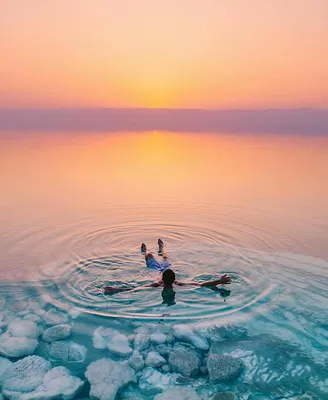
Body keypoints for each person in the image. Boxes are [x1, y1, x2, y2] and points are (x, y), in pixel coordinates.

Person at [104, 239, 232, 297]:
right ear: (174, 277)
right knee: (164, 258)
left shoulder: (158, 284)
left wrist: (116, 289)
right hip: (162, 269)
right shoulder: (178, 283)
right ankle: (151, 249)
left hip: (156, 270)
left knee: (152, 257)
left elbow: (134, 289)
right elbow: (201, 284)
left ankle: (155, 249)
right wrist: (219, 281)